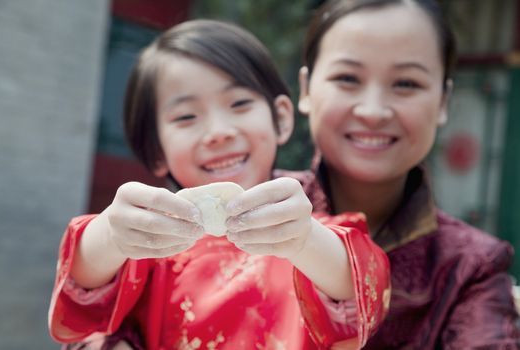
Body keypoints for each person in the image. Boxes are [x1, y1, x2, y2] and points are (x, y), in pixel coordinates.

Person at [48, 19, 390, 350]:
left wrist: (304, 240)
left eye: (239, 104)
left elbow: (361, 286)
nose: (218, 132)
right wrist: (111, 234)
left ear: (281, 119)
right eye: (186, 117)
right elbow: (83, 282)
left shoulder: (315, 231)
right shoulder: (148, 246)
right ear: (155, 151)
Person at [295, 0, 520, 348]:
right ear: (306, 89)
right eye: (347, 78)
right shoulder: (249, 218)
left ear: (443, 101)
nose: (373, 111)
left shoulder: (472, 269)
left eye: (406, 84)